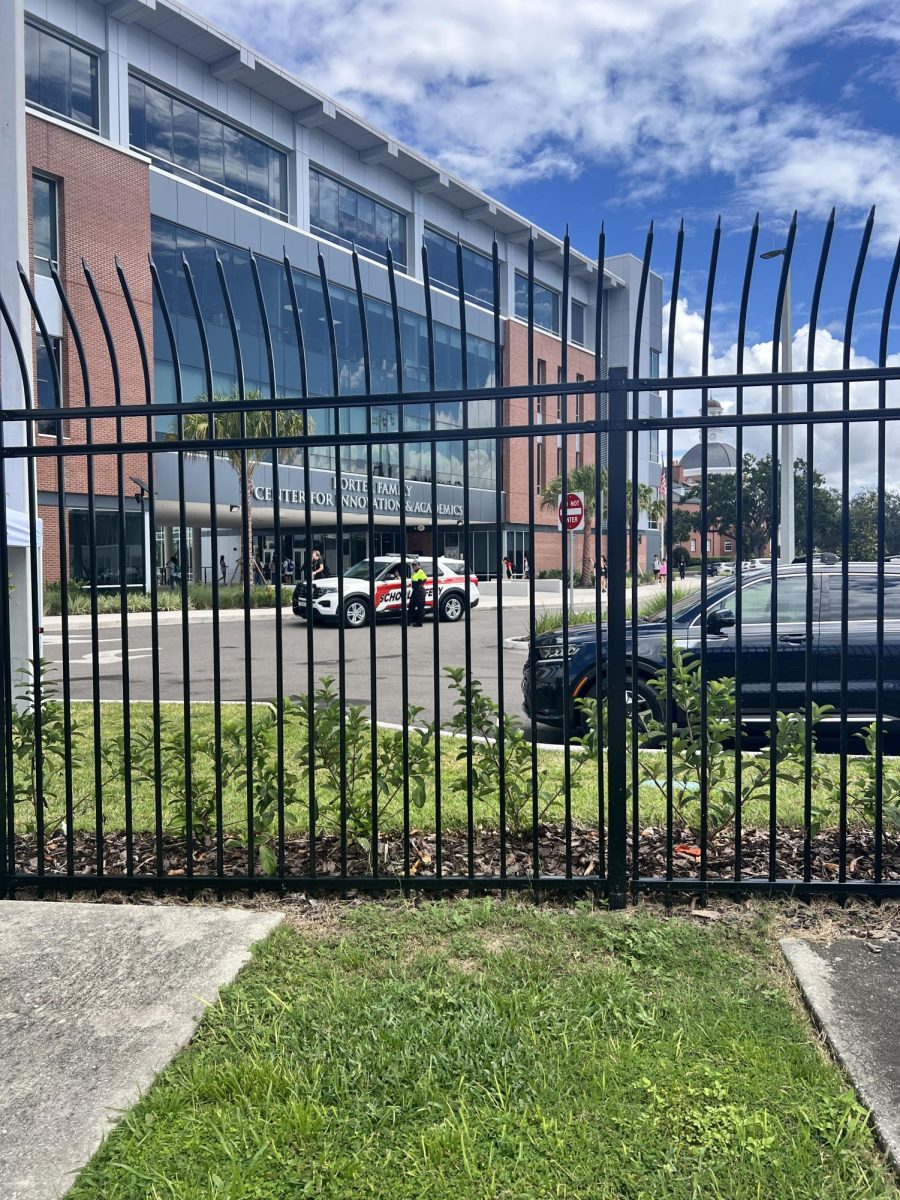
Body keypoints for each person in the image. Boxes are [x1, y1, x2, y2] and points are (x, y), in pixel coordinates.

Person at [408, 555, 427, 626]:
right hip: (415, 591)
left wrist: (420, 584)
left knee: (420, 608)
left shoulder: (420, 571)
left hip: (420, 591)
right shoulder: (414, 572)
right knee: (411, 606)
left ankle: (419, 623)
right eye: (413, 565)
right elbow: (414, 581)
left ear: (418, 565)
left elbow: (425, 578)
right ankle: (408, 622)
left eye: (415, 565)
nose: (414, 566)